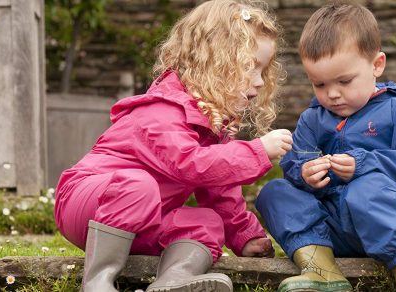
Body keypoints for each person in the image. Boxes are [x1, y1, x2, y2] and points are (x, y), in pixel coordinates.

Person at [54, 1, 293, 291]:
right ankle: (96, 282)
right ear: (215, 61)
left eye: (262, 71)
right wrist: (257, 151)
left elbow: (218, 186)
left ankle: (174, 280)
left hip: (141, 223)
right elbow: (191, 164)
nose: (257, 82)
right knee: (138, 185)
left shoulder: (209, 124)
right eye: (250, 67)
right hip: (88, 204)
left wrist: (244, 234)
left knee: (206, 221)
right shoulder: (161, 111)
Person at [256, 2, 396, 292]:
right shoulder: (313, 119)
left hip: (388, 224)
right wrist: (305, 174)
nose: (333, 94)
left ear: (377, 65)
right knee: (274, 192)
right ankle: (320, 268)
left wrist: (363, 164)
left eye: (344, 81)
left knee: (364, 189)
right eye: (320, 84)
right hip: (331, 232)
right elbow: (295, 164)